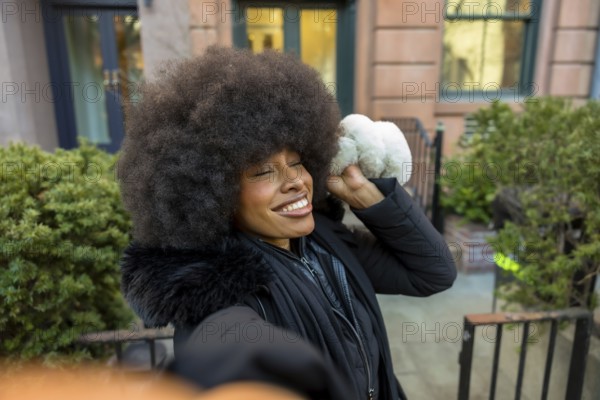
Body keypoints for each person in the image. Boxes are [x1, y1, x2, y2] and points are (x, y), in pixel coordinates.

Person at [119, 46, 457, 400]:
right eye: (263, 171)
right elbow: (224, 348)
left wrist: (365, 195)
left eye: (296, 163)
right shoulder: (217, 289)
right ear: (215, 192)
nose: (296, 181)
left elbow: (433, 271)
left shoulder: (328, 241)